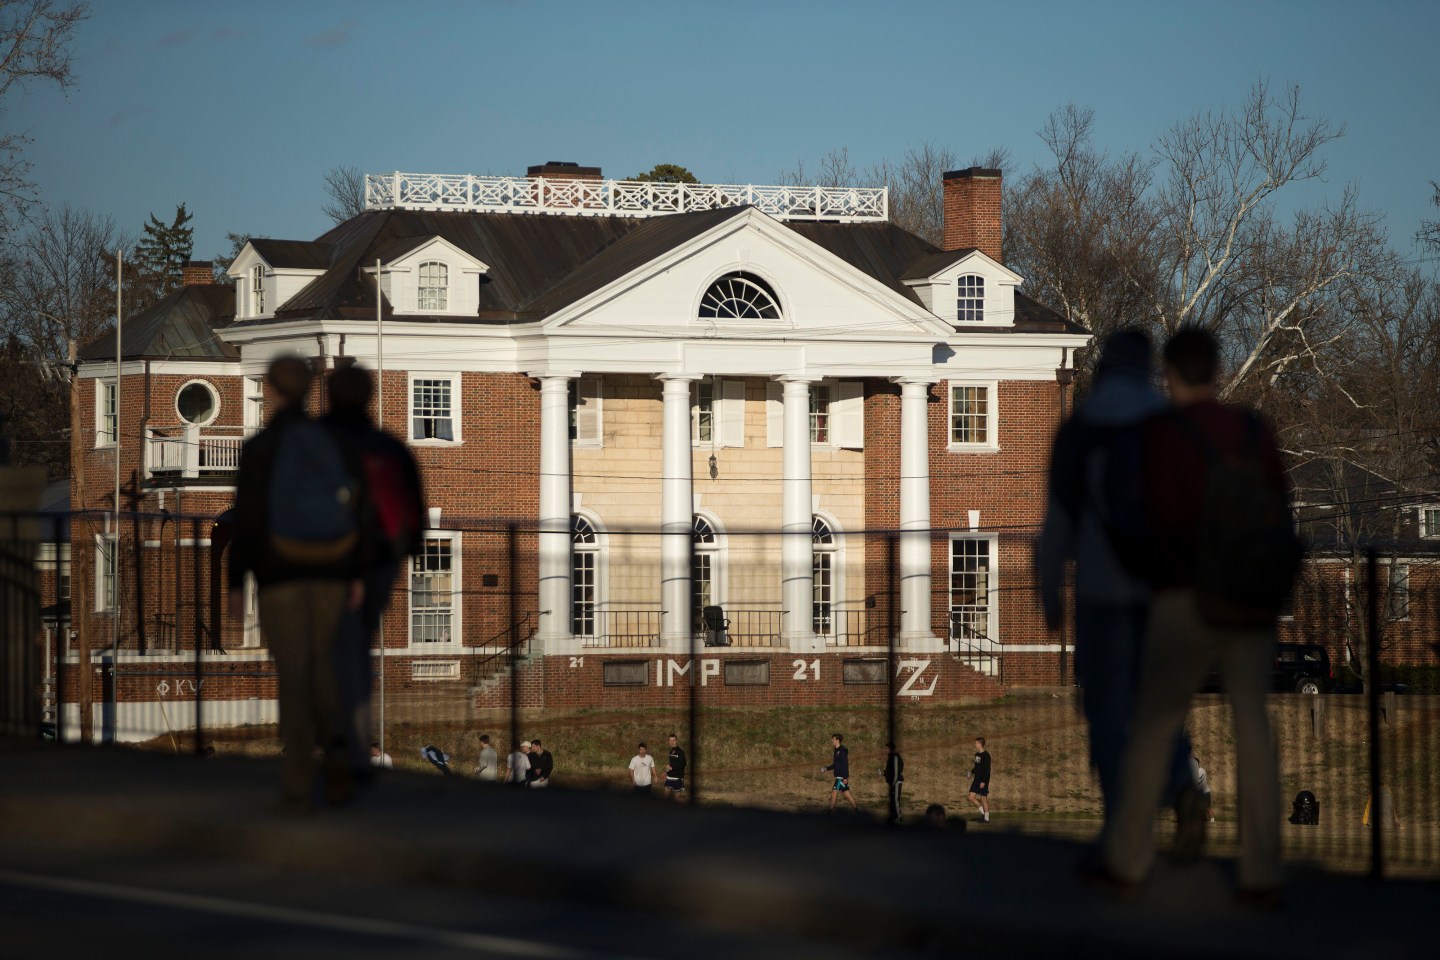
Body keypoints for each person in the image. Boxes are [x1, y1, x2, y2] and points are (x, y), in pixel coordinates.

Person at [1099, 326, 1288, 904]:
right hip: (1249, 599)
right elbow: (1281, 512)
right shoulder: (1254, 431)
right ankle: (1261, 874)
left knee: (1155, 728)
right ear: (1217, 370)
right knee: (1254, 728)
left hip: (1181, 594)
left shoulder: (1159, 434)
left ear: (1170, 374)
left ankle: (1129, 862)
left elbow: (1133, 513)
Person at [1037, 329, 1198, 842]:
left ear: (1105, 364)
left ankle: (1122, 831)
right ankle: (1180, 784)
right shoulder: (1171, 424)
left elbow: (1058, 523)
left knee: (1108, 713)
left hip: (1102, 594)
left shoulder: (1080, 429)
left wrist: (1049, 590)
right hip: (1164, 595)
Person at [228, 355, 370, 812]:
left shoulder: (262, 447)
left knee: (293, 673)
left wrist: (236, 581)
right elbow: (358, 509)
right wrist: (354, 571)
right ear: (312, 387)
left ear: (270, 387)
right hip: (331, 570)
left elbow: (247, 519)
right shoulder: (331, 441)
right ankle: (339, 759)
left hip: (279, 574)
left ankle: (296, 780)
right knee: (328, 667)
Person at [322, 365, 425, 781]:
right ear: (370, 397)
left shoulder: (314, 444)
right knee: (356, 649)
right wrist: (395, 559)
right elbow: (413, 514)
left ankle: (334, 745)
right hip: (376, 562)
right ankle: (351, 745)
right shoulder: (388, 446)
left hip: (323, 563)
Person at [821, 733, 857, 812]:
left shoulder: (842, 751)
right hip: (840, 776)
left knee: (834, 793)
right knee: (847, 794)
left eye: (833, 739)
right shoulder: (836, 751)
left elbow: (845, 764)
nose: (832, 741)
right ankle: (856, 810)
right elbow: (836, 764)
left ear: (837, 740)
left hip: (841, 777)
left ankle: (829, 812)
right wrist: (826, 768)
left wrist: (845, 777)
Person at [879, 741, 904, 823]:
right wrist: (883, 772)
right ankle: (894, 816)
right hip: (894, 781)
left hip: (896, 782)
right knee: (893, 799)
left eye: (887, 748)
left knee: (895, 799)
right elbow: (891, 771)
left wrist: (893, 782)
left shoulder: (895, 757)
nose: (885, 750)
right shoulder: (891, 757)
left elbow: (896, 771)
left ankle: (898, 816)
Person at [968, 737, 991, 823]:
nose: (975, 744)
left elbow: (987, 770)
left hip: (983, 780)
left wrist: (984, 781)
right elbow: (977, 767)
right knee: (970, 797)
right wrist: (971, 772)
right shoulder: (977, 755)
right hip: (976, 779)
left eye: (976, 743)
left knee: (983, 799)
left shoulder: (986, 755)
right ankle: (983, 814)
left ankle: (987, 818)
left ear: (980, 744)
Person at [663, 733, 687, 803]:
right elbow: (671, 764)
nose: (672, 742)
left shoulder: (680, 752)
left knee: (677, 799)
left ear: (676, 741)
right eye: (670, 740)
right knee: (666, 797)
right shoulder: (671, 751)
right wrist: (666, 772)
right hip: (670, 777)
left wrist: (672, 768)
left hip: (677, 778)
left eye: (673, 740)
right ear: (668, 742)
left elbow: (683, 764)